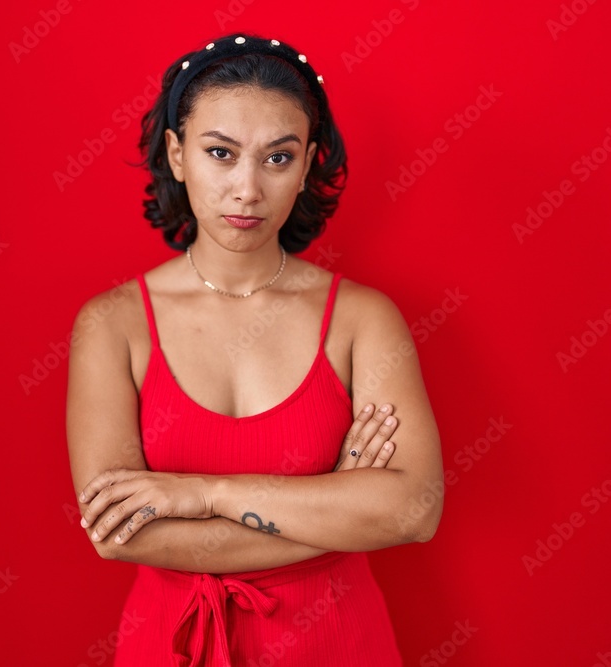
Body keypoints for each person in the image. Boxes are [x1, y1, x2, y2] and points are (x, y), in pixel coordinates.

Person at [66, 32, 443, 666]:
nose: (247, 188)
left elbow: (412, 511)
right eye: (221, 153)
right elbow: (118, 532)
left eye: (277, 158)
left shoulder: (362, 319)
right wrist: (335, 506)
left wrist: (202, 494)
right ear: (178, 154)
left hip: (338, 644)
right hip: (170, 645)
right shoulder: (110, 325)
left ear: (307, 165)